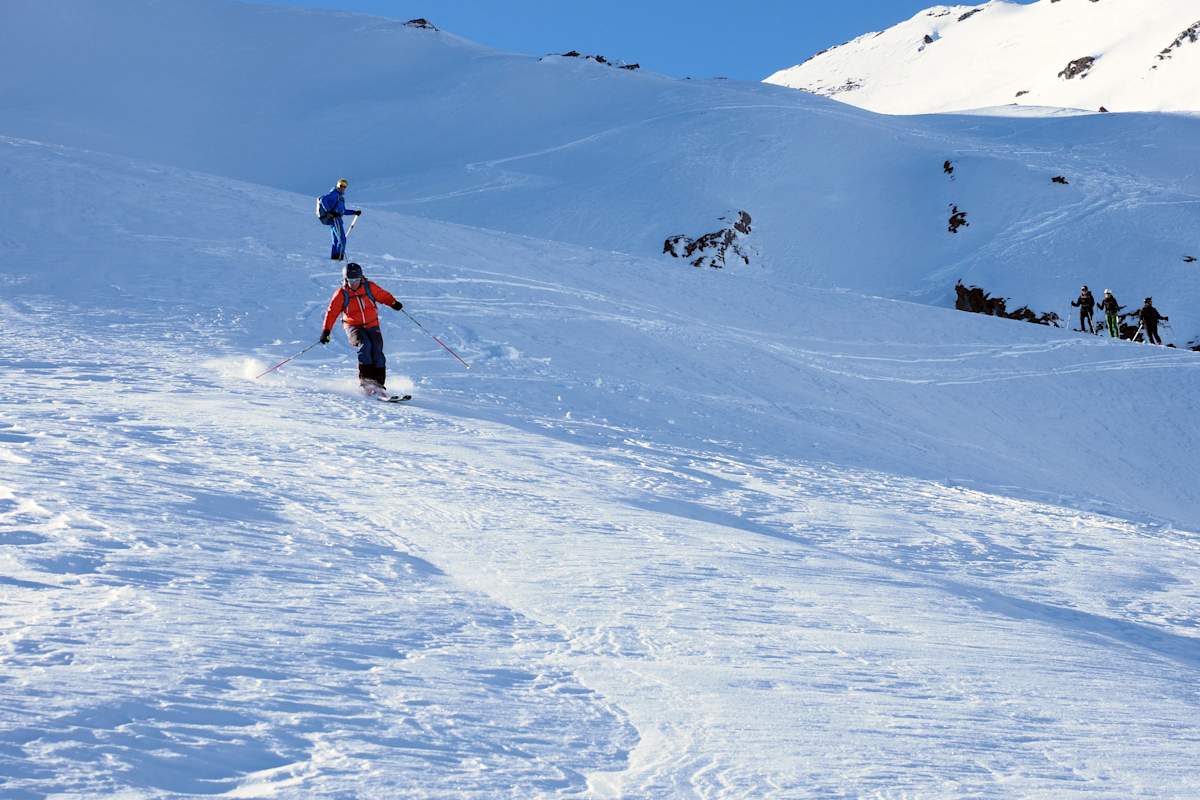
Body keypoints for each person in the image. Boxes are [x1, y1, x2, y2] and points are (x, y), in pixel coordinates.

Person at [319, 262, 404, 394]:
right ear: (346, 279)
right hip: (353, 326)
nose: (354, 283)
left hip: (372, 323)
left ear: (361, 277)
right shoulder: (341, 293)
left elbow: (382, 295)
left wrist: (393, 303)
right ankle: (367, 382)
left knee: (377, 348)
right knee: (365, 345)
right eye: (351, 280)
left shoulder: (369, 287)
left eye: (357, 280)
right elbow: (332, 312)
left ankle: (379, 384)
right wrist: (326, 331)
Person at [317, 178, 361, 261]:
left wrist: (354, 212)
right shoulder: (334, 193)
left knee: (336, 240)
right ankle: (339, 258)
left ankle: (334, 258)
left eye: (345, 186)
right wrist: (329, 211)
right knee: (342, 240)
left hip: (336, 219)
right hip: (335, 219)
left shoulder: (340, 198)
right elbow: (323, 199)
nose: (343, 187)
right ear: (338, 185)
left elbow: (343, 211)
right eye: (341, 185)